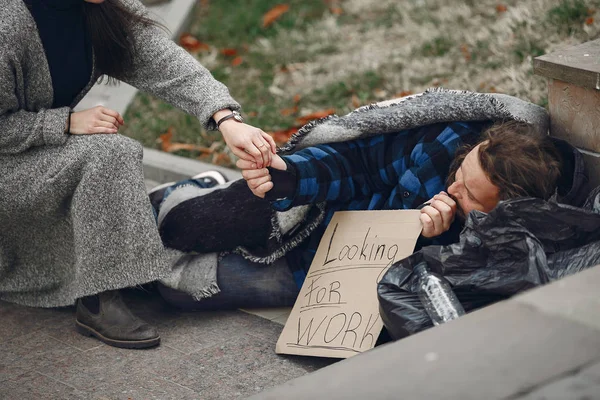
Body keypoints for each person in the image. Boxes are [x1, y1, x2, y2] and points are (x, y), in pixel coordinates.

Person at [0, 0, 276, 349]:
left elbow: (166, 63)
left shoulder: (102, 8)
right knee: (110, 153)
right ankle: (99, 298)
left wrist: (226, 119)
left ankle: (112, 270)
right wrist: (63, 122)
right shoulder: (7, 21)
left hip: (32, 156)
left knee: (109, 153)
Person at [156, 118, 567, 310]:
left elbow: (422, 305)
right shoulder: (447, 141)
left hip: (332, 274)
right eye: (460, 173)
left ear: (507, 210)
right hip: (314, 212)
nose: (452, 188)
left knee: (175, 291)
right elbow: (362, 161)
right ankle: (199, 190)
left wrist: (426, 240)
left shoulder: (516, 245)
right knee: (181, 226)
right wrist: (292, 177)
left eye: (470, 194)